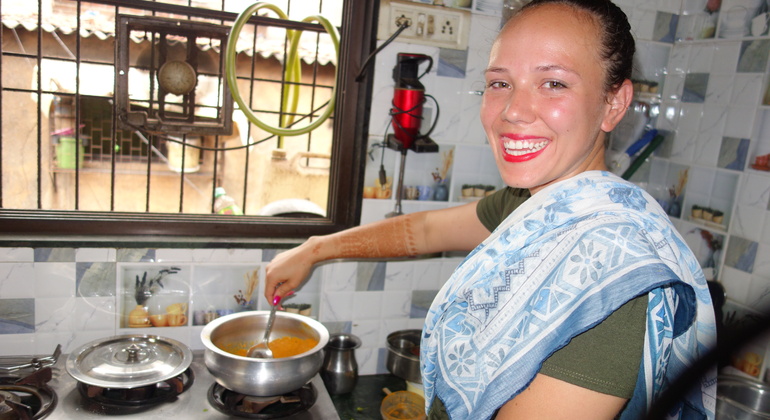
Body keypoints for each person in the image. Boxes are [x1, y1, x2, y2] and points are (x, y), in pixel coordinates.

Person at [265, 0, 717, 419]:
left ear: (613, 103)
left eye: (554, 83)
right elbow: (420, 232)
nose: (513, 111)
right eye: (500, 83)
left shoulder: (614, 279)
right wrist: (315, 248)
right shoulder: (537, 204)